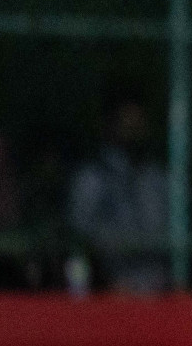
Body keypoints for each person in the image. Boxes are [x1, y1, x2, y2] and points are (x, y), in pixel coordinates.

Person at [67, 93, 169, 293]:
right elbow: (78, 241)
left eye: (138, 124)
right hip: (108, 292)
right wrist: (102, 283)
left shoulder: (160, 178)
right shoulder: (92, 178)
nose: (133, 131)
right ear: (109, 127)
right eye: (126, 123)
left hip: (162, 292)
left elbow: (171, 236)